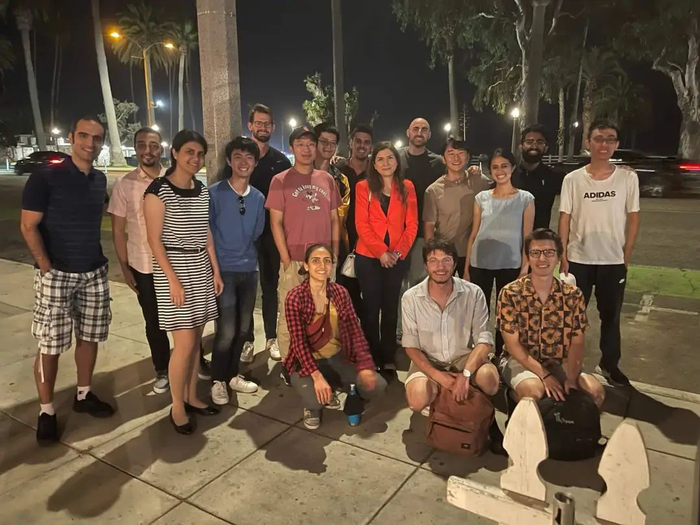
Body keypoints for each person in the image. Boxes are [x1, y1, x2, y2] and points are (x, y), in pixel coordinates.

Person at [21, 115, 114, 444]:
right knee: (51, 345)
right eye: (84, 136)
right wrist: (45, 265)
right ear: (72, 138)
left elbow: (99, 213)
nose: (90, 143)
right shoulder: (46, 176)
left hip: (93, 271)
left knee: (90, 337)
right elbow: (28, 225)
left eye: (97, 138)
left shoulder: (99, 180)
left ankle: (83, 394)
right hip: (57, 274)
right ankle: (46, 410)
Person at [144, 129, 223, 435]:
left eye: (200, 154)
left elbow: (206, 232)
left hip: (200, 265)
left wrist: (215, 270)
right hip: (174, 268)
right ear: (175, 153)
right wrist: (173, 281)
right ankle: (177, 405)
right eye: (189, 152)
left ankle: (191, 395)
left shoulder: (201, 190)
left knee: (197, 341)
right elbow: (155, 241)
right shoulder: (158, 191)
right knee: (184, 343)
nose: (195, 158)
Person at [558, 120, 640, 387]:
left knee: (611, 317)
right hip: (578, 259)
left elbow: (634, 217)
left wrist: (626, 254)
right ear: (588, 143)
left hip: (612, 261)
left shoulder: (628, 178)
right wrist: (563, 253)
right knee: (571, 317)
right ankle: (566, 363)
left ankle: (610, 364)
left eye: (610, 139)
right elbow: (565, 217)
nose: (604, 144)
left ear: (616, 144)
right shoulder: (573, 179)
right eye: (598, 138)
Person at [497, 228, 605, 408]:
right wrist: (545, 375)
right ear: (528, 257)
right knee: (534, 391)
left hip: (561, 360)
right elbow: (513, 346)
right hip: (520, 360)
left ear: (559, 257)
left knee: (595, 392)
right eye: (535, 253)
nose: (542, 259)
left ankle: (574, 426)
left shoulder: (573, 295)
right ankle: (516, 409)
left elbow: (577, 342)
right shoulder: (511, 293)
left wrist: (572, 377)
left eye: (549, 252)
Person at [284, 243, 387, 430]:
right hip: (307, 363)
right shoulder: (295, 297)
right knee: (315, 400)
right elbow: (299, 343)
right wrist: (317, 377)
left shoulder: (340, 293)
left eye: (327, 261)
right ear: (306, 265)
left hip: (338, 357)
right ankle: (312, 405)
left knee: (377, 385)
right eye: (316, 261)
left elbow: (356, 332)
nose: (322, 266)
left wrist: (366, 365)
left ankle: (347, 393)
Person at [266, 126, 341, 360]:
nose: (306, 149)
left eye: (310, 144)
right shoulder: (280, 181)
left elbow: (335, 220)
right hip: (295, 260)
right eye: (300, 145)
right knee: (290, 316)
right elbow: (275, 223)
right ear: (292, 148)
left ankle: (315, 361)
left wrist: (334, 255)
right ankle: (290, 363)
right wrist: (286, 259)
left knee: (321, 314)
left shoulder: (327, 179)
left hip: (323, 260)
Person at [402, 237, 500, 416]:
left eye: (446, 260)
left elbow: (484, 340)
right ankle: (443, 396)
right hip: (429, 359)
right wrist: (438, 376)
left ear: (455, 264)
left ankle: (461, 396)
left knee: (490, 381)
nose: (440, 267)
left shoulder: (474, 293)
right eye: (433, 260)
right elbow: (410, 346)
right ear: (426, 266)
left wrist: (467, 374)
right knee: (417, 399)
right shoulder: (411, 298)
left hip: (463, 357)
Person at [108, 127, 172, 394]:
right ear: (135, 148)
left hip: (176, 263)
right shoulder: (125, 185)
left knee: (185, 319)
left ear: (161, 149)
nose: (148, 151)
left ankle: (193, 361)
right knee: (154, 321)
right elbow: (117, 230)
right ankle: (163, 368)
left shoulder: (173, 179)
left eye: (154, 145)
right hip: (143, 265)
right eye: (142, 145)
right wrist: (124, 267)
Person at [209, 137, 265, 405]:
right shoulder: (214, 194)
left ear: (255, 163)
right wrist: (214, 271)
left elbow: (257, 232)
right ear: (229, 161)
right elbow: (207, 233)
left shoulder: (258, 197)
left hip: (249, 270)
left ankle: (232, 374)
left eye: (249, 157)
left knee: (243, 329)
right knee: (227, 330)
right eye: (238, 157)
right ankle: (217, 380)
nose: (244, 162)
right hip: (223, 271)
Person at [355, 142, 418, 372]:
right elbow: (361, 224)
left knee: (391, 307)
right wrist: (381, 252)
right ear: (373, 164)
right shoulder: (363, 187)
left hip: (397, 258)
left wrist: (396, 253)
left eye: (390, 158)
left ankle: (388, 354)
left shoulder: (407, 187)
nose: (385, 163)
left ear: (397, 161)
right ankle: (371, 356)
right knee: (371, 309)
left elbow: (412, 225)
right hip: (368, 257)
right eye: (380, 159)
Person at [465, 148, 535, 356]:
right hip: (480, 262)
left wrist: (525, 269)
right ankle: (480, 353)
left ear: (512, 168)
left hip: (511, 264)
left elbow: (527, 238)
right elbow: (474, 233)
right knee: (479, 311)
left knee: (507, 313)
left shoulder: (525, 199)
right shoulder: (481, 198)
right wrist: (467, 268)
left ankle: (503, 354)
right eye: (495, 167)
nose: (500, 171)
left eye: (504, 166)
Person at [246, 103, 292, 362]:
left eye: (267, 123)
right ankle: (247, 340)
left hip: (272, 234)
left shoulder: (280, 161)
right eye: (258, 123)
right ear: (250, 125)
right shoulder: (242, 155)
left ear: (273, 127)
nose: (263, 127)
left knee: (270, 287)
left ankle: (271, 337)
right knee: (246, 289)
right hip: (243, 236)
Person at [424, 137, 492, 277]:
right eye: (450, 153)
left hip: (473, 252)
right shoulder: (433, 190)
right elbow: (429, 226)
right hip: (445, 252)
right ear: (443, 159)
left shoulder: (480, 181)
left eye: (461, 153)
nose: (456, 158)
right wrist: (431, 256)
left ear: (468, 157)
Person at [398, 118, 445, 287]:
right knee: (397, 286)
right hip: (397, 232)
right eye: (415, 128)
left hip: (422, 233)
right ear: (408, 132)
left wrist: (473, 171)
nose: (419, 133)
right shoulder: (395, 158)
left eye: (424, 129)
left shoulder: (438, 163)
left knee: (418, 285)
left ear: (429, 135)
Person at [337, 124, 373, 317]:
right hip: (343, 237)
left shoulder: (376, 173)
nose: (362, 146)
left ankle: (366, 331)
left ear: (371, 147)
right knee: (344, 290)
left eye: (366, 142)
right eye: (358, 141)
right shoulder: (338, 170)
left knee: (368, 294)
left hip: (369, 241)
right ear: (350, 143)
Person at [512, 124, 563, 230]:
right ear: (521, 146)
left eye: (539, 142)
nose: (534, 146)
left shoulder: (554, 177)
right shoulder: (509, 176)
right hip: (511, 236)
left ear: (546, 147)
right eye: (529, 142)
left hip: (540, 238)